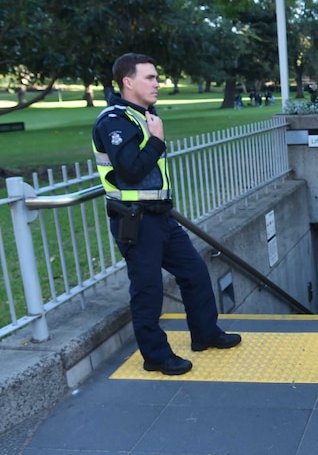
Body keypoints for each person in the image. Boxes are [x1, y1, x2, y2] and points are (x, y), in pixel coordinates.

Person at [92, 53, 241, 376]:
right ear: (127, 82)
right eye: (150, 77)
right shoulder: (114, 121)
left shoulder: (143, 115)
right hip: (135, 220)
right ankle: (155, 356)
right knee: (147, 290)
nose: (157, 83)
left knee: (195, 273)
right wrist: (158, 141)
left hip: (161, 217)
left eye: (157, 77)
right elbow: (130, 170)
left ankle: (205, 333)